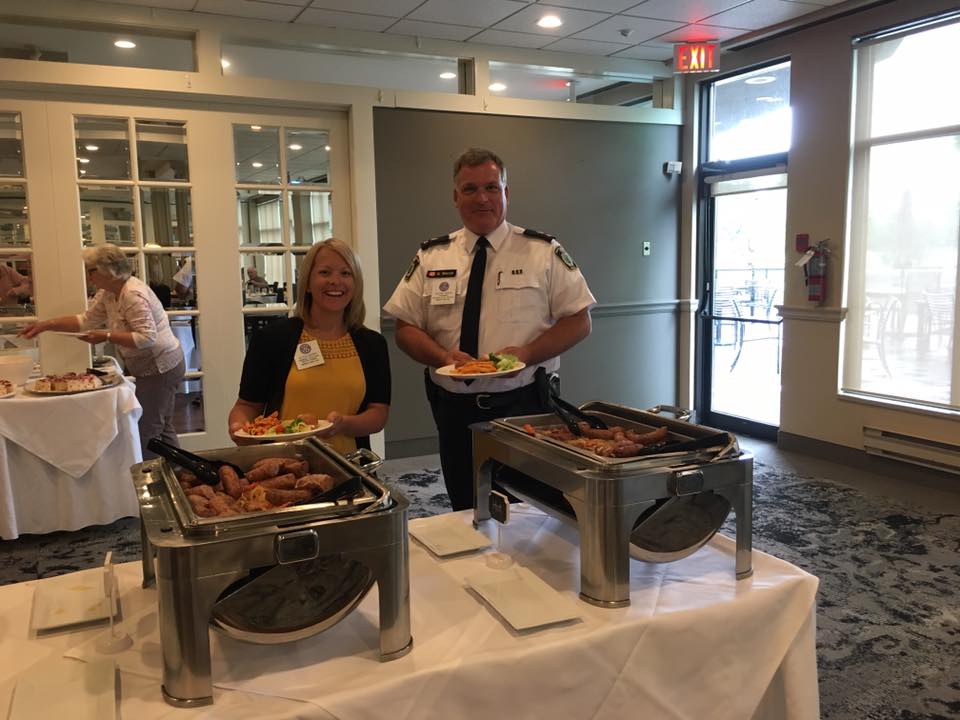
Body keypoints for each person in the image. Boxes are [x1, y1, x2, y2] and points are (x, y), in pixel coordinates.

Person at [383, 147, 596, 510]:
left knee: (531, 507)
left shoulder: (542, 251)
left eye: (491, 188)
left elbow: (580, 321)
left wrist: (527, 353)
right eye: (470, 189)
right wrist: (441, 357)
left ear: (506, 193)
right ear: (455, 197)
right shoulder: (431, 256)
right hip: (455, 411)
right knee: (466, 506)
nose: (481, 198)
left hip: (524, 405)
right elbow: (405, 327)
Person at [20, 243, 186, 458]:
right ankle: (179, 470)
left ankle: (152, 475)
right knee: (162, 426)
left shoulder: (132, 295)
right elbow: (85, 321)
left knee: (148, 430)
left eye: (91, 270)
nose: (89, 276)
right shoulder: (109, 293)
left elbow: (147, 338)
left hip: (161, 366)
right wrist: (46, 325)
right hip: (155, 366)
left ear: (109, 271)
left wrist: (106, 336)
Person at [228, 238, 390, 455]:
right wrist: (239, 427)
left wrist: (343, 424)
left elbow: (378, 413)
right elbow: (247, 406)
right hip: (282, 464)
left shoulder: (372, 344)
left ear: (356, 283)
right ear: (308, 283)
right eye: (325, 272)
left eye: (345, 273)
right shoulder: (272, 339)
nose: (335, 281)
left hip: (349, 465)